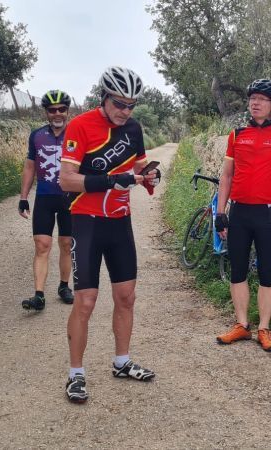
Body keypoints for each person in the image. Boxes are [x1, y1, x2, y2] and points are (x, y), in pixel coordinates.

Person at [57, 66, 161, 404]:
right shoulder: (80, 125)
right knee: (86, 301)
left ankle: (121, 362)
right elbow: (66, 179)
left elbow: (139, 167)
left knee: (126, 296)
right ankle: (75, 373)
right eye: (119, 103)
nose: (125, 111)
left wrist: (150, 175)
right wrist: (108, 181)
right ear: (104, 97)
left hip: (119, 221)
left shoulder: (133, 129)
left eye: (131, 105)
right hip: (86, 221)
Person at [215, 79, 271, 353]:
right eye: (252, 98)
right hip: (239, 211)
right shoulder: (237, 135)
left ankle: (264, 328)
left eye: (262, 99)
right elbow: (226, 176)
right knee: (237, 270)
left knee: (266, 273)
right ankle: (242, 325)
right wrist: (220, 212)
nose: (255, 103)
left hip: (268, 214)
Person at [20, 90, 75, 311]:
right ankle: (39, 295)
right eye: (52, 110)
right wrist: (23, 197)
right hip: (44, 197)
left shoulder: (77, 134)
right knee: (42, 245)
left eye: (61, 109)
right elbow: (30, 166)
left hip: (70, 198)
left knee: (66, 244)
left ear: (67, 111)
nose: (57, 113)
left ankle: (64, 286)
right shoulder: (37, 135)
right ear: (46, 112)